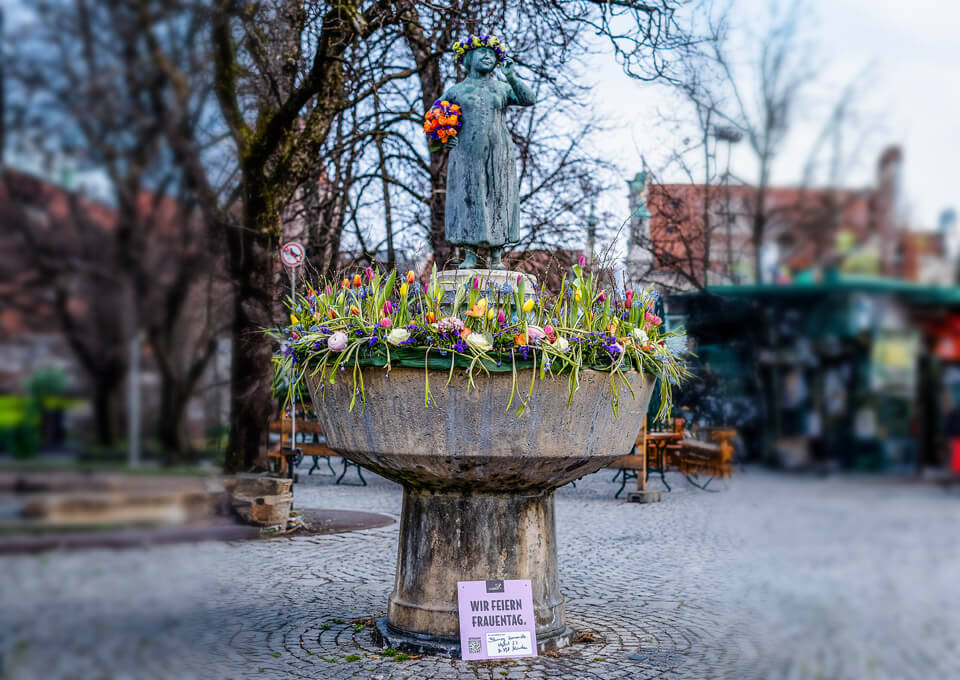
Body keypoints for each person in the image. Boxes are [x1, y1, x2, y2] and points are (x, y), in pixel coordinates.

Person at [441, 35, 535, 269]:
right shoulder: (456, 91)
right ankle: (469, 255)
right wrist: (444, 139)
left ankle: (496, 256)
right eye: (482, 52)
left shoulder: (502, 87)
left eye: (492, 54)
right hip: (465, 153)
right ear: (468, 58)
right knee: (468, 198)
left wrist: (512, 76)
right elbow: (435, 119)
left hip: (498, 151)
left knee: (498, 197)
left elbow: (529, 99)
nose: (487, 57)